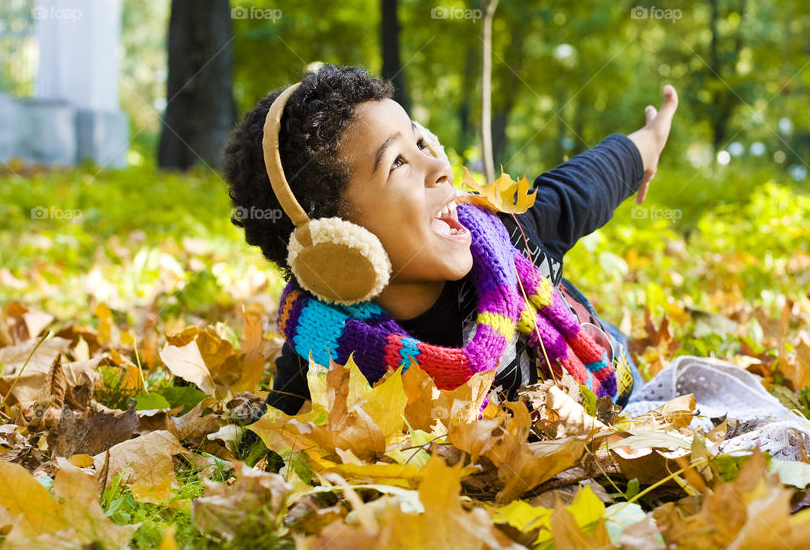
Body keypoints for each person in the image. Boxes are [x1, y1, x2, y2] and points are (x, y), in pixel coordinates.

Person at [222, 64, 678, 416]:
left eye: (421, 145)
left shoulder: (508, 235)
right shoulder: (320, 343)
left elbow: (583, 186)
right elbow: (279, 432)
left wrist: (648, 143)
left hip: (591, 351)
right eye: (398, 163)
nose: (439, 168)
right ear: (338, 246)